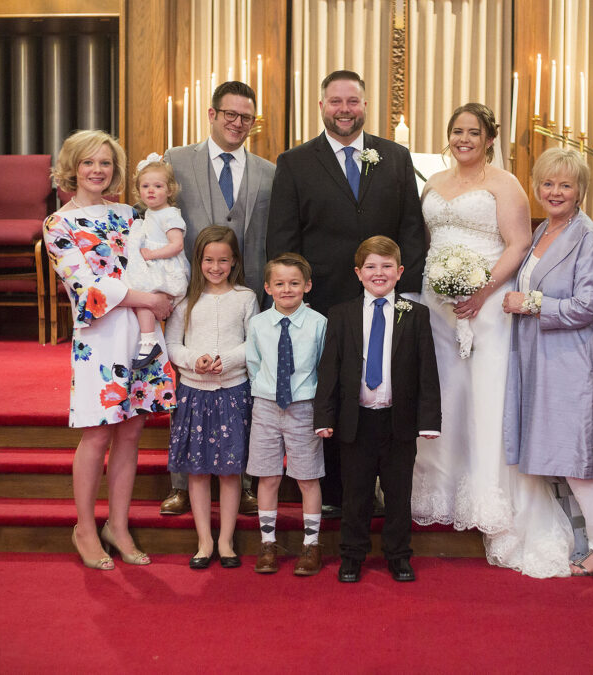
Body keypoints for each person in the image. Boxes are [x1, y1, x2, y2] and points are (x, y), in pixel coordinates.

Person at [411, 103, 572, 577]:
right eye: (457, 131)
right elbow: (428, 242)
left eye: (473, 132)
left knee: (485, 395)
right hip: (437, 306)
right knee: (443, 394)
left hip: (488, 303)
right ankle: (441, 488)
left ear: (489, 139)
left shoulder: (505, 183)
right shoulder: (433, 185)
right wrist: (442, 285)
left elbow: (519, 243)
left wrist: (480, 291)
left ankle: (490, 496)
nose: (464, 139)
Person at [267, 69, 426, 515]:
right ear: (321, 106)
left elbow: (411, 229)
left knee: (379, 393)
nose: (344, 110)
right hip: (324, 301)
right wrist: (292, 299)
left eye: (352, 101)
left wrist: (405, 295)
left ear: (365, 106)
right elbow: (283, 237)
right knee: (333, 393)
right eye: (335, 101)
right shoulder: (295, 162)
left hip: (384, 300)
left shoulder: (394, 156)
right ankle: (334, 491)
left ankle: (376, 489)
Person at [44, 129, 176, 570]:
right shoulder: (58, 224)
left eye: (105, 162)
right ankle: (84, 526)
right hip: (100, 335)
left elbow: (155, 261)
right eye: (88, 163)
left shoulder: (129, 213)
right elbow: (87, 287)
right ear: (72, 167)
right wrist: (149, 299)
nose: (97, 170)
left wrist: (164, 295)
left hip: (142, 332)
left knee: (133, 430)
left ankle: (116, 525)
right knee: (98, 431)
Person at [498, 148, 593, 577]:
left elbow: (587, 305)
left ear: (581, 191)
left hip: (572, 360)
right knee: (557, 459)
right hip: (540, 358)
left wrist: (529, 302)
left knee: (578, 461)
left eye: (565, 185)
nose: (555, 192)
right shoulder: (541, 232)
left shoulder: (588, 236)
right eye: (548, 183)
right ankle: (582, 540)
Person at [161, 80, 275, 516]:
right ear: (211, 114)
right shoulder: (176, 160)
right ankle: (179, 481)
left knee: (245, 392)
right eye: (230, 114)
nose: (237, 123)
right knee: (184, 385)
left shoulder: (268, 171)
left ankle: (242, 481)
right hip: (189, 291)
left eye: (246, 117)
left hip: (244, 293)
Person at [315, 236, 441, 583]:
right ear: (358, 273)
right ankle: (352, 555)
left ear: (400, 272)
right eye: (371, 266)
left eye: (387, 266)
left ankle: (399, 555)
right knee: (355, 494)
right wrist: (324, 416)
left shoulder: (416, 315)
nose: (379, 273)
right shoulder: (341, 315)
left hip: (397, 421)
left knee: (398, 494)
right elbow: (330, 369)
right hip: (356, 421)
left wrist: (429, 419)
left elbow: (427, 370)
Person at [164, 225, 259, 570]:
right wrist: (195, 360)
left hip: (233, 391)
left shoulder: (246, 298)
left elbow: (255, 341)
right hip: (194, 393)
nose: (215, 267)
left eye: (223, 260)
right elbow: (173, 345)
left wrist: (228, 360)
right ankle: (204, 540)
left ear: (234, 262)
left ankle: (226, 540)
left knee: (231, 471)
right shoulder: (186, 301)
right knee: (198, 471)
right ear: (198, 260)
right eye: (208, 260)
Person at [245, 253, 328, 575]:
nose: (287, 289)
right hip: (266, 405)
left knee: (307, 477)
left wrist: (320, 409)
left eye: (294, 283)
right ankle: (267, 544)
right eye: (279, 283)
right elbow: (254, 363)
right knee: (267, 476)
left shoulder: (319, 323)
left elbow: (323, 365)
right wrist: (263, 389)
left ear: (307, 286)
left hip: (304, 406)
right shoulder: (258, 324)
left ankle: (312, 545)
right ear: (268, 287)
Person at [124, 153, 191, 369]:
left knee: (145, 302)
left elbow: (176, 245)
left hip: (166, 270)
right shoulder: (149, 213)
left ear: (169, 190)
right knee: (143, 303)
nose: (151, 191)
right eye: (145, 186)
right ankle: (147, 343)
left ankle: (148, 344)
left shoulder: (169, 214)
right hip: (154, 269)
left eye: (158, 186)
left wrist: (151, 254)